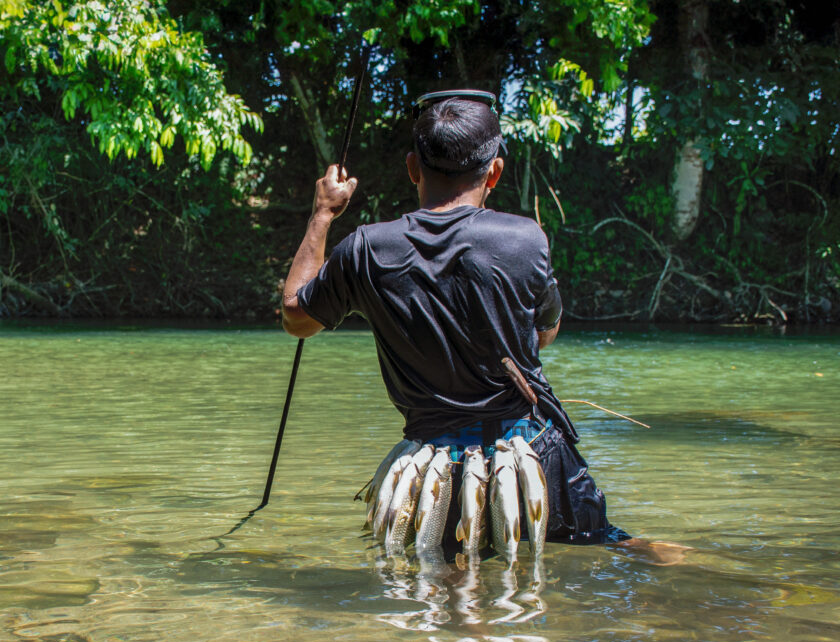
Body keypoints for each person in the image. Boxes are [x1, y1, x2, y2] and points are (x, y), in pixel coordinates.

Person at [281, 90, 683, 559]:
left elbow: (296, 318)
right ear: (494, 172)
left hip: (436, 475)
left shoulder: (367, 248)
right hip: (532, 455)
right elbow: (544, 333)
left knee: (447, 578)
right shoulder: (525, 238)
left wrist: (323, 214)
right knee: (621, 547)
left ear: (412, 168)